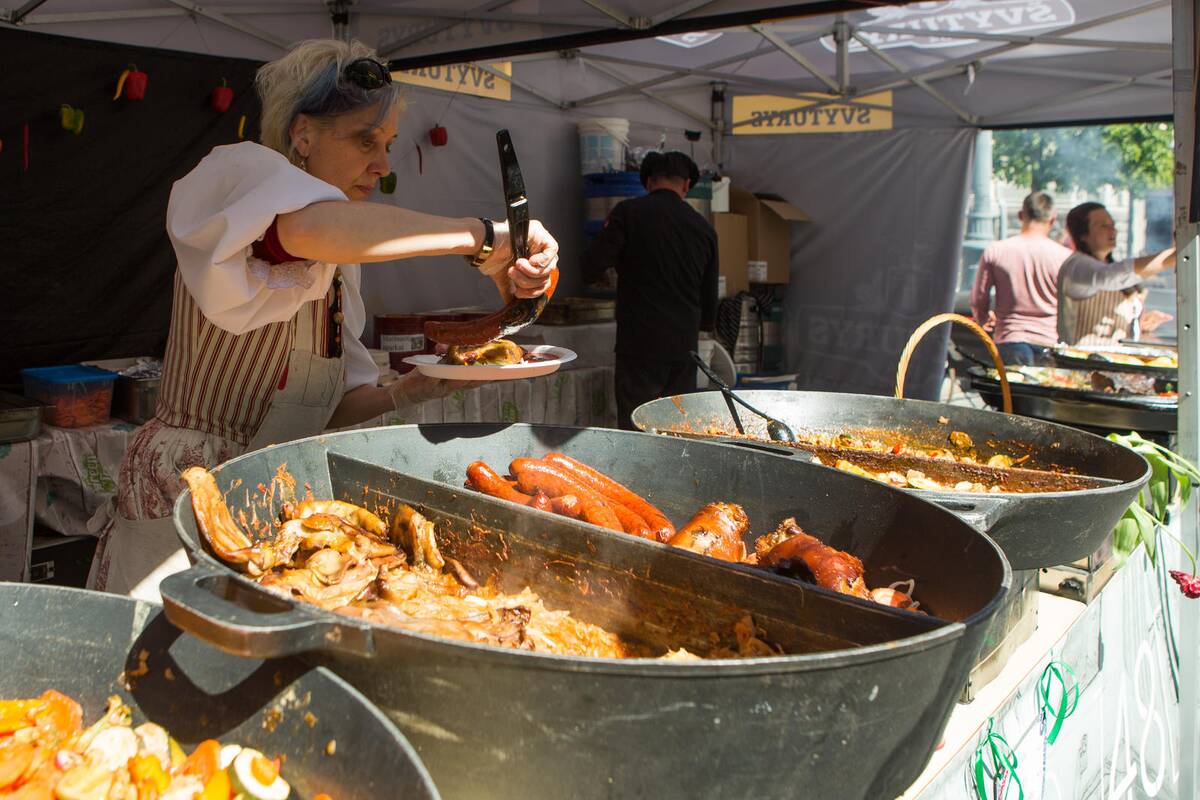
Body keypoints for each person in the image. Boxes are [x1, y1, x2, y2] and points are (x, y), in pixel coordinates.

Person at [88, 39, 558, 601]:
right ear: (303, 134)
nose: (383, 165)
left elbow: (325, 406)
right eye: (365, 141)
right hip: (189, 486)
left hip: (275, 494)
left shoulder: (338, 264)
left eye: (387, 145)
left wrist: (410, 390)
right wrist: (481, 238)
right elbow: (305, 230)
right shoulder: (243, 178)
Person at [583, 151, 718, 429]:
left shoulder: (627, 213)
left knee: (636, 427)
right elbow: (709, 300)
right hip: (683, 348)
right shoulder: (704, 229)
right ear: (686, 184)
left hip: (639, 345)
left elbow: (591, 266)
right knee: (679, 428)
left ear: (648, 182)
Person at [970, 191, 1071, 365]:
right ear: (1053, 219)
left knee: (1011, 384)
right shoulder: (1065, 257)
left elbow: (978, 299)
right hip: (1050, 343)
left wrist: (983, 319)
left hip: (1009, 340)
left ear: (1020, 215)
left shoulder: (996, 251)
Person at [1057, 202, 1174, 347]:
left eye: (1112, 225)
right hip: (1082, 357)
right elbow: (1110, 277)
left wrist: (1140, 324)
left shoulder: (1106, 265)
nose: (1112, 230)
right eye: (1103, 226)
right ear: (1083, 235)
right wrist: (1173, 256)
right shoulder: (1077, 265)